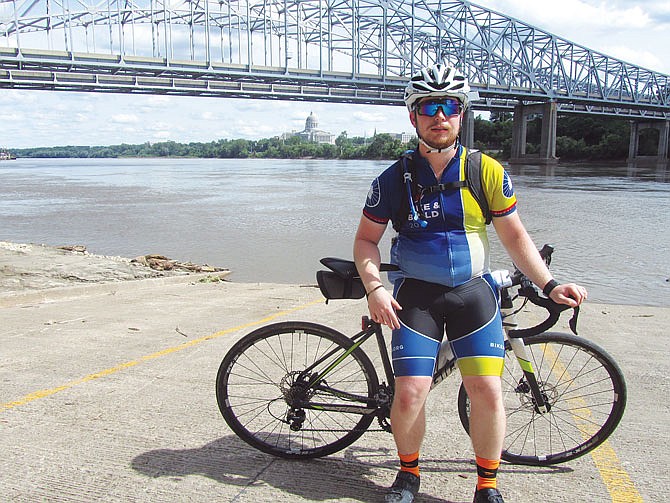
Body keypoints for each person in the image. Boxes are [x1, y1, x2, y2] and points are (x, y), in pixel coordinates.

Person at [353, 63, 588, 503]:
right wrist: (375, 288)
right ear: (413, 116)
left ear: (461, 115)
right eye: (428, 107)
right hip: (415, 297)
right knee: (409, 394)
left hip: (473, 293)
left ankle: (487, 485)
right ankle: (407, 476)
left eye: (448, 107)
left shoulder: (487, 172)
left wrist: (550, 283)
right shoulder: (393, 179)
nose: (438, 116)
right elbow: (366, 240)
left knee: (487, 390)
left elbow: (515, 236)